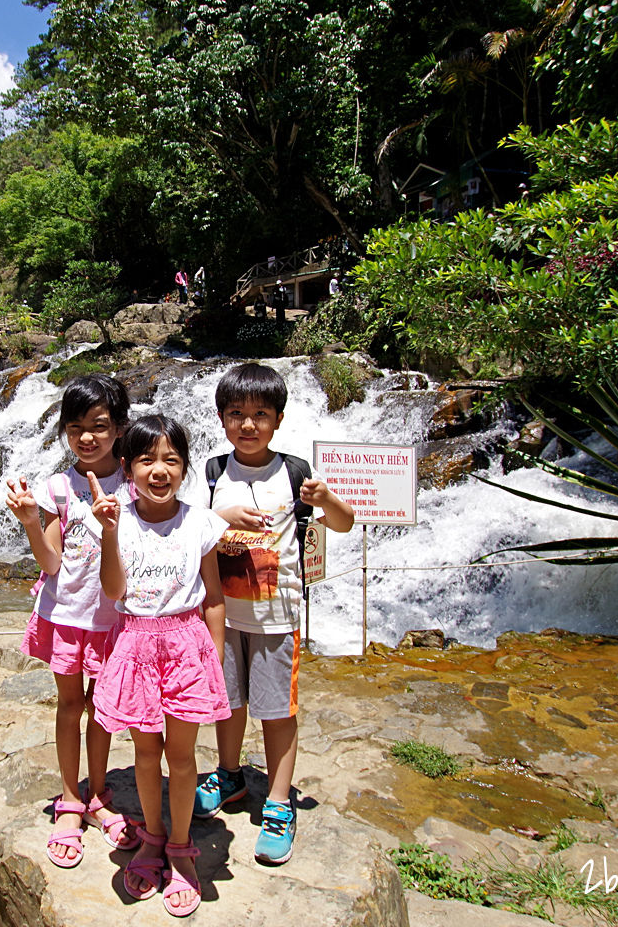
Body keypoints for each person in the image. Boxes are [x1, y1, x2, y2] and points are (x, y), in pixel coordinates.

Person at [192, 363, 354, 865]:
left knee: (278, 711)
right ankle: (230, 775)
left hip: (278, 618)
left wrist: (326, 498)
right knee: (229, 702)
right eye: (236, 414)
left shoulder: (296, 473)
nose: (248, 425)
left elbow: (343, 526)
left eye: (260, 414)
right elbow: (189, 526)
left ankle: (280, 802)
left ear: (278, 419)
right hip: (222, 613)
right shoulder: (214, 472)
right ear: (221, 419)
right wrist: (220, 517)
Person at [90, 415, 230, 918]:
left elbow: (213, 597)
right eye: (147, 459)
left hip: (187, 643)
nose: (159, 470)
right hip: (136, 644)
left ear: (185, 467)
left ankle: (180, 844)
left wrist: (211, 657)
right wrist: (108, 532)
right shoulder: (115, 518)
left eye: (171, 459)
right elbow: (113, 592)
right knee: (146, 754)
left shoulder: (202, 522)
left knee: (184, 756)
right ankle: (151, 836)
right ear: (127, 467)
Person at [6, 375, 137, 870]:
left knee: (103, 707)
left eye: (99, 427)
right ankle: (69, 798)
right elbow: (51, 562)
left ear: (120, 428)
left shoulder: (136, 482)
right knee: (69, 705)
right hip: (65, 615)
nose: (87, 437)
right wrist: (29, 522)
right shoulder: (58, 487)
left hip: (114, 619)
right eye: (76, 427)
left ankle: (99, 794)